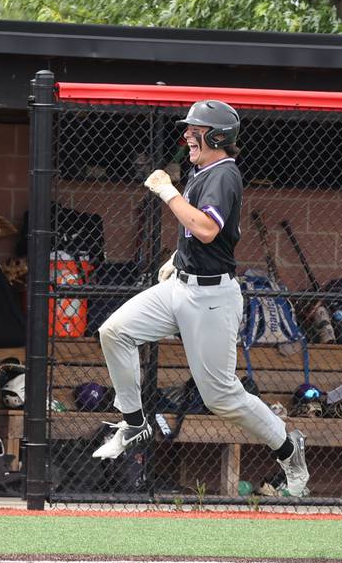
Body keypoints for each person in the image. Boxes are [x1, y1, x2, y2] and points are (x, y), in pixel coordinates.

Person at [92, 100, 309, 497]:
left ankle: (286, 446)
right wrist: (178, 258)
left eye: (197, 130)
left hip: (211, 298)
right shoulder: (203, 171)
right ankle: (134, 420)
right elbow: (208, 237)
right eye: (189, 129)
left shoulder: (224, 174)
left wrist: (166, 191)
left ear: (218, 136)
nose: (188, 136)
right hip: (181, 286)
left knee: (221, 396)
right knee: (115, 332)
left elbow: (207, 229)